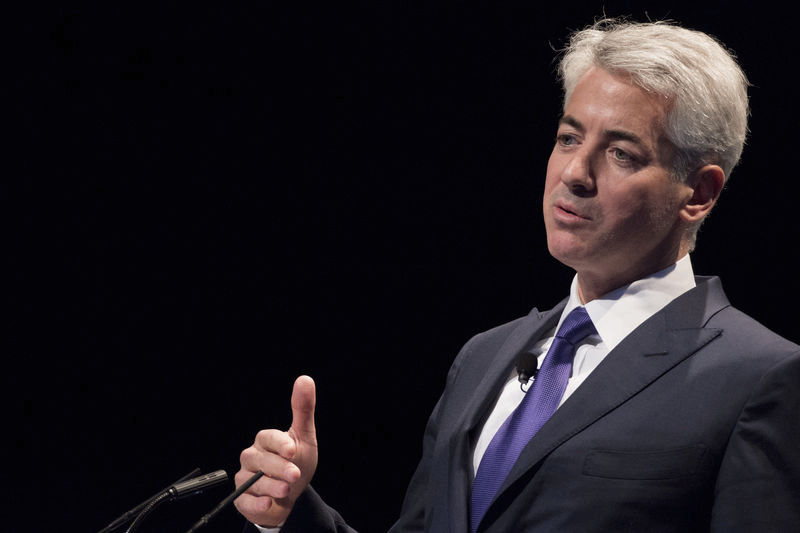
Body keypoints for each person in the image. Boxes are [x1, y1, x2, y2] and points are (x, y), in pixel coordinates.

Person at [234, 19, 800, 532]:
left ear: (698, 193)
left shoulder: (759, 378)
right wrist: (290, 513)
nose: (575, 174)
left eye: (621, 154)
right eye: (569, 138)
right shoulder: (483, 357)